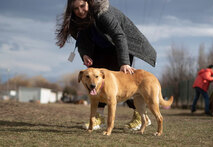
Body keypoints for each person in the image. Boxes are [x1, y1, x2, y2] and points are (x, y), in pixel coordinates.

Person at [56, 0, 156, 130]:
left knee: (122, 83)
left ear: (89, 3)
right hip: (101, 48)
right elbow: (83, 41)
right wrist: (85, 54)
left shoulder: (103, 12)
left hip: (122, 45)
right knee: (97, 81)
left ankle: (140, 116)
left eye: (82, 6)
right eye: (75, 8)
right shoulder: (77, 20)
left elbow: (119, 36)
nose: (80, 11)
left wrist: (125, 62)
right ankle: (99, 118)